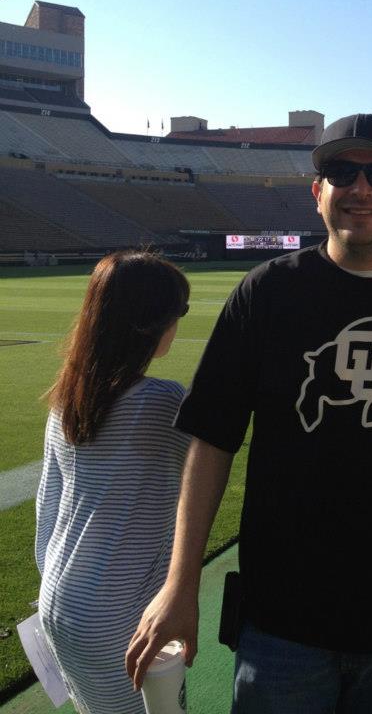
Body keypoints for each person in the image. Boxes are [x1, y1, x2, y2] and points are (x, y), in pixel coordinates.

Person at [126, 113, 372, 714]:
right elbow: (212, 443)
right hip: (282, 621)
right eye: (341, 171)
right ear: (317, 192)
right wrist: (181, 583)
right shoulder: (265, 293)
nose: (362, 189)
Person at [36, 250, 191, 714]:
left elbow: (47, 517)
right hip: (119, 616)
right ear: (151, 323)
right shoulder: (161, 403)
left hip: (59, 602)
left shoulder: (67, 400)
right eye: (177, 312)